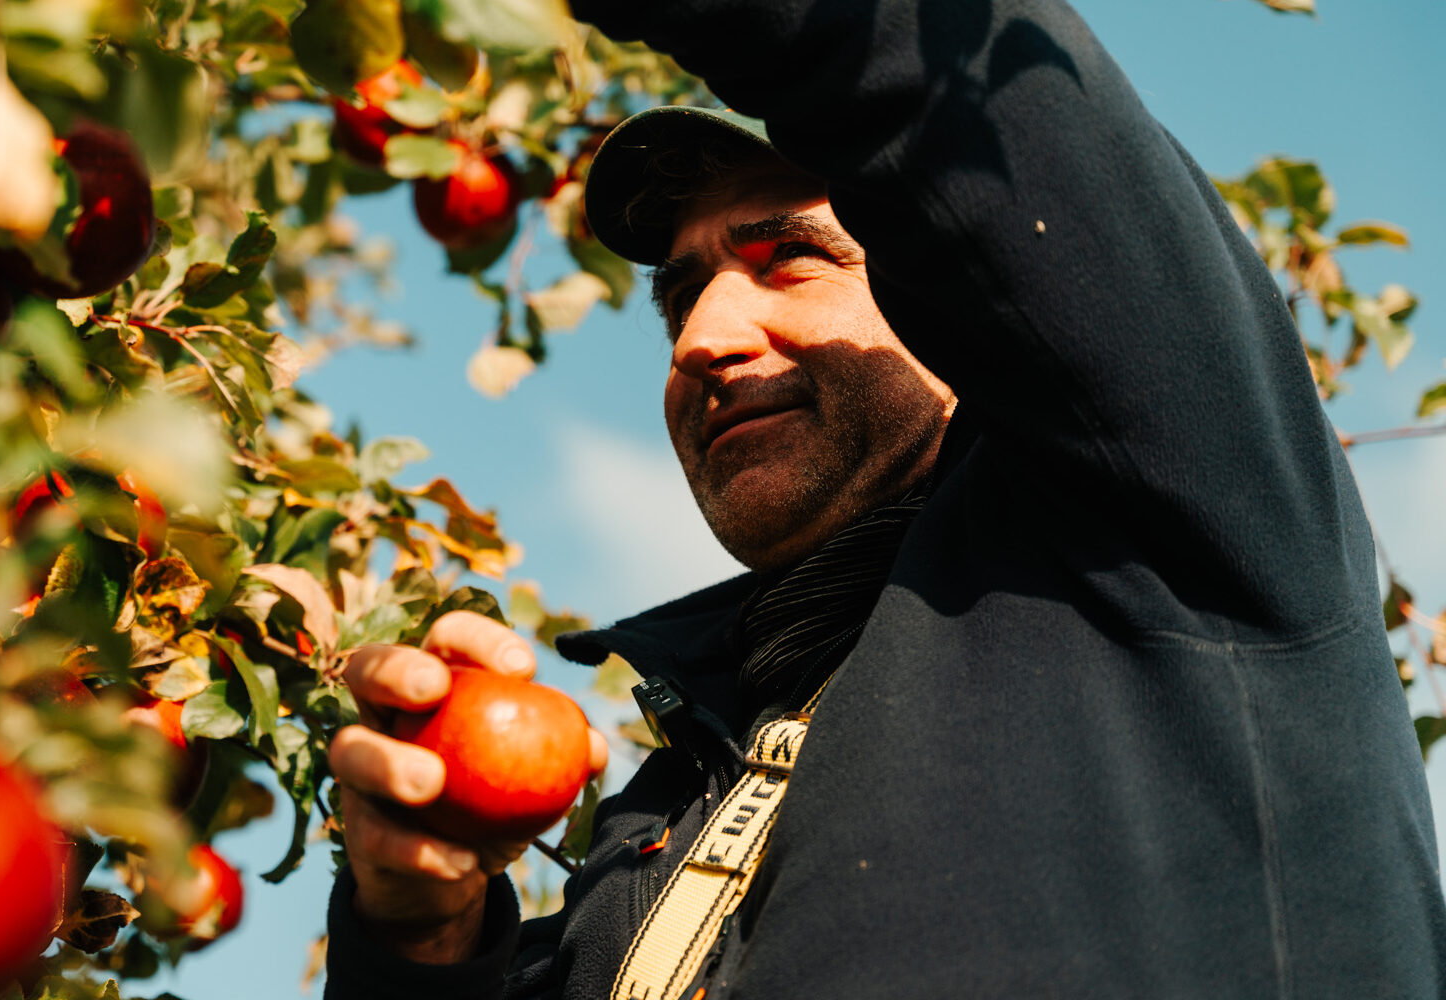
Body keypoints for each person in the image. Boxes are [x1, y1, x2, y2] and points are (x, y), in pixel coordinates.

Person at [322, 0, 1446, 996]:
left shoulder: (1165, 506)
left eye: (790, 259)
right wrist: (418, 946)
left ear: (955, 284)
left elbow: (923, 63)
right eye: (679, 299)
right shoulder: (651, 818)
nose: (703, 340)